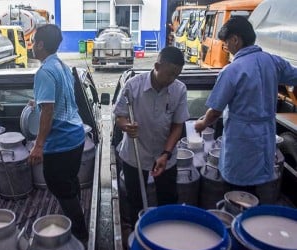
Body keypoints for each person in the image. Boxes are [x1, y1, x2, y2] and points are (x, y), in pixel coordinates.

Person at [195, 16, 297, 201]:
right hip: (265, 136)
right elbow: (294, 76)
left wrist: (201, 124)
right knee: (259, 186)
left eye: (226, 42)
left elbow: (215, 111)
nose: (226, 46)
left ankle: (238, 219)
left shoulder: (232, 70)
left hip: (241, 140)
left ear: (236, 39)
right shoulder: (273, 61)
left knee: (237, 189)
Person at [113, 46, 189, 226]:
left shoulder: (179, 89)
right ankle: (137, 233)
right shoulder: (133, 86)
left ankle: (165, 236)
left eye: (176, 75)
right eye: (169, 74)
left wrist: (166, 154)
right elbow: (120, 116)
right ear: (156, 66)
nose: (172, 79)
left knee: (168, 200)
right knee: (135, 201)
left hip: (165, 156)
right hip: (135, 154)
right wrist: (126, 126)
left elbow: (178, 126)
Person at [28, 24, 88, 242]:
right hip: (76, 135)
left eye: (34, 41)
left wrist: (39, 145)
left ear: (41, 44)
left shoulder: (44, 71)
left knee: (57, 183)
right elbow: (59, 99)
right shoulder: (62, 65)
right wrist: (37, 102)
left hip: (61, 140)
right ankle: (75, 218)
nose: (32, 46)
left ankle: (80, 234)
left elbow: (49, 110)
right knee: (69, 182)